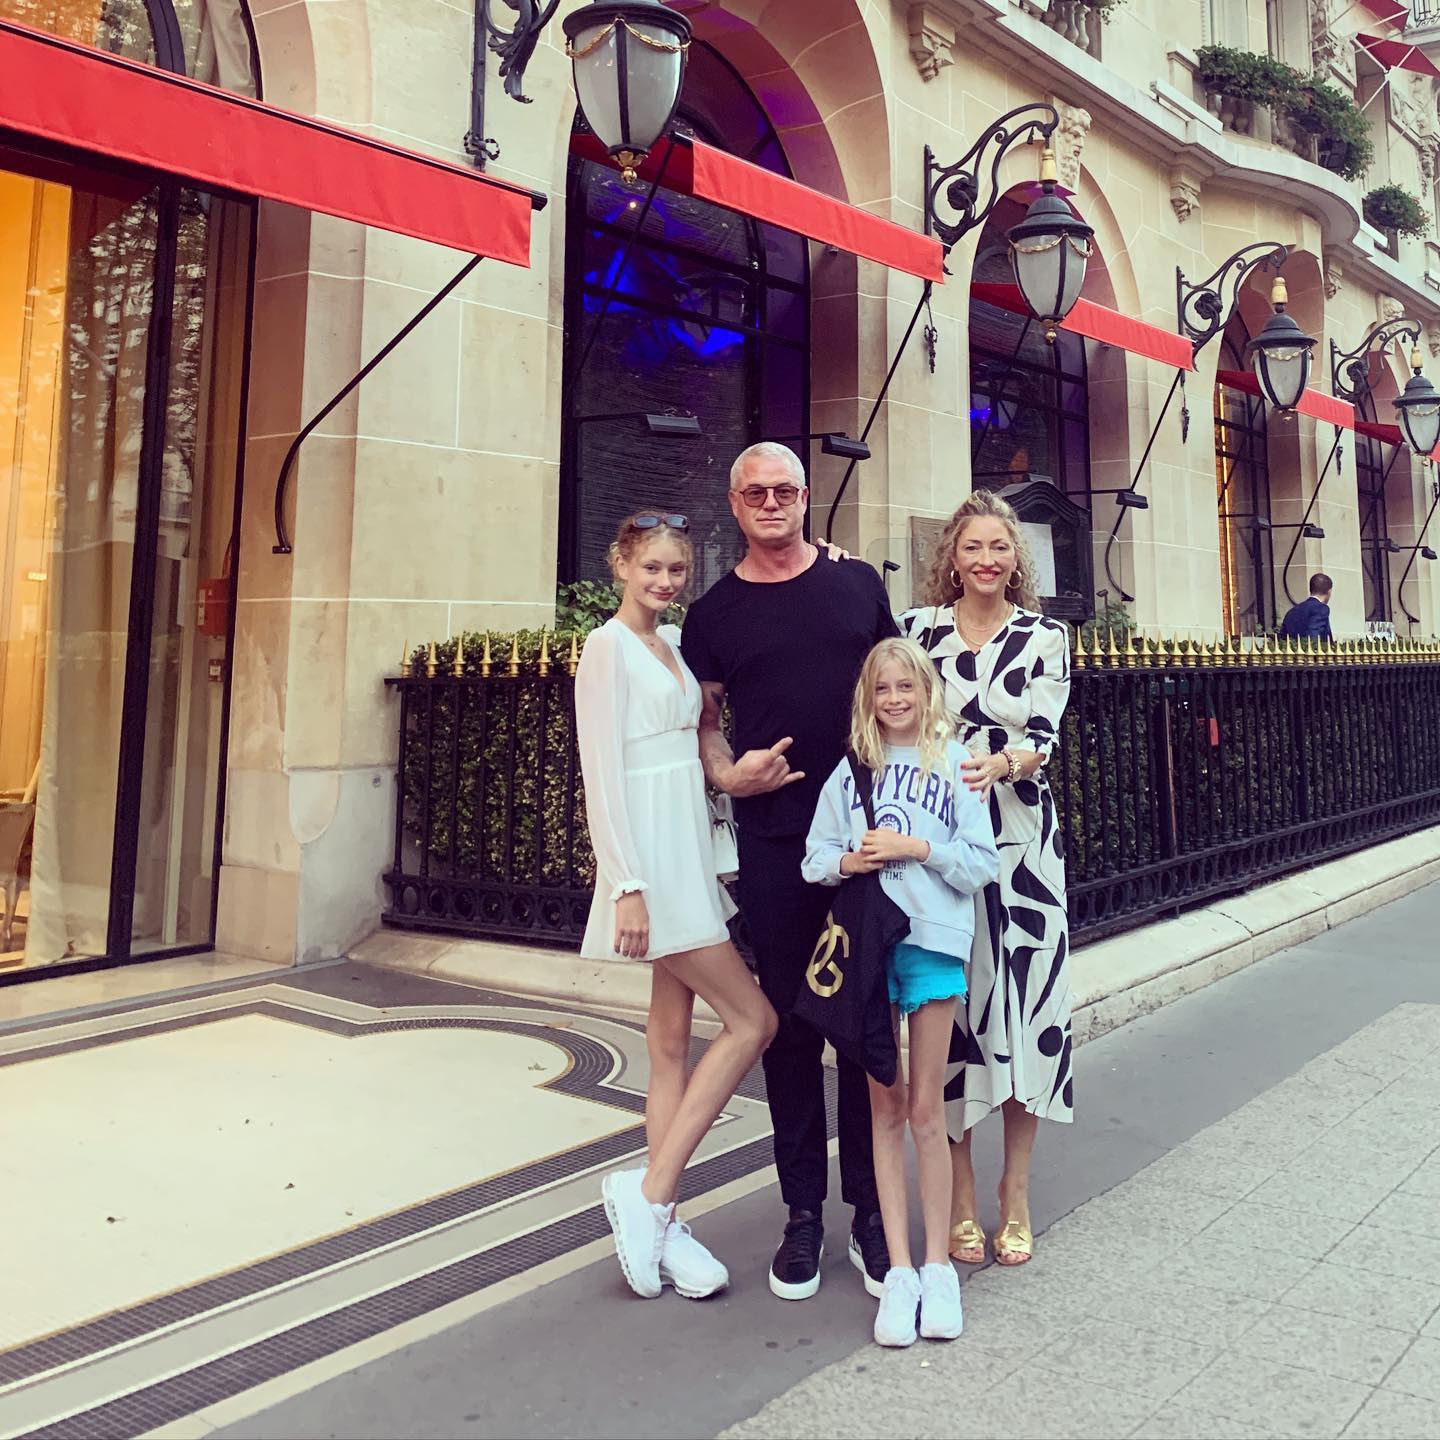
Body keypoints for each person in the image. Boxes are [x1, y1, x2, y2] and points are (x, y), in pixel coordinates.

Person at [681, 442, 900, 1302]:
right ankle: (802, 1213)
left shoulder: (856, 586)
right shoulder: (713, 614)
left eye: (784, 491)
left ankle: (873, 1214)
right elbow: (703, 722)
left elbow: (901, 691)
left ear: (806, 498)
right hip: (775, 842)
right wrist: (727, 774)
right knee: (790, 1031)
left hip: (866, 841)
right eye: (755, 493)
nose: (771, 503)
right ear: (734, 504)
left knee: (862, 1026)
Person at [576, 512, 778, 1301]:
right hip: (650, 859)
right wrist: (625, 884)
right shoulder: (607, 647)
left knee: (668, 1040)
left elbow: (697, 739)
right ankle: (650, 1192)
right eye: (652, 567)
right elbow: (600, 773)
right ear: (621, 564)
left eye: (676, 570)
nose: (664, 581)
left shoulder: (673, 642)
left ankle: (662, 1224)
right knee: (752, 1020)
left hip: (687, 842)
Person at [802, 638, 999, 1347]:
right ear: (869, 696)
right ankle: (902, 1271)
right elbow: (815, 858)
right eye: (882, 689)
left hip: (933, 940)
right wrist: (852, 860)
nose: (894, 700)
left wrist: (918, 848)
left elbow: (980, 863)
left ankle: (939, 1266)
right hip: (868, 950)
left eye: (905, 687)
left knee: (925, 1108)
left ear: (925, 690)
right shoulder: (854, 768)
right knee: (882, 1108)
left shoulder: (954, 762)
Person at [898, 489, 1073, 1268]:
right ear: (953, 557)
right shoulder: (918, 631)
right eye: (972, 546)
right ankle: (962, 1194)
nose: (986, 560)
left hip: (1022, 848)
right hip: (941, 843)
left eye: (999, 547)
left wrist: (1001, 763)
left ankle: (1017, 1192)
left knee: (1027, 1012)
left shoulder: (1045, 637)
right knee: (953, 1013)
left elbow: (1044, 739)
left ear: (1015, 558)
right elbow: (894, 713)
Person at [1280, 573, 1334, 642]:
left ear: (1310, 589)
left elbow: (1282, 639)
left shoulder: (1292, 611)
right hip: (1312, 648)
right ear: (1329, 591)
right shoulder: (1320, 609)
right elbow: (1314, 638)